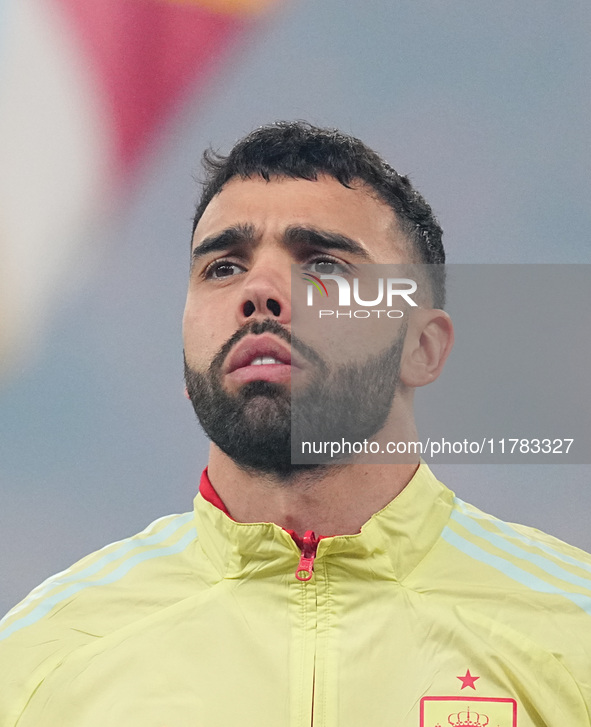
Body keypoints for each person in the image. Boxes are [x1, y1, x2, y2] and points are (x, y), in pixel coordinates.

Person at [1, 122, 590, 727]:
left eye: (325, 265)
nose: (261, 291)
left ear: (423, 347)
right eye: (223, 268)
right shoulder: (39, 660)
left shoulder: (573, 633)